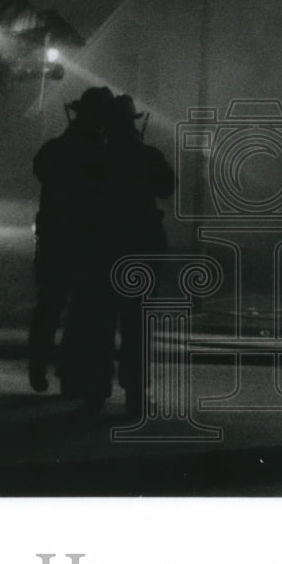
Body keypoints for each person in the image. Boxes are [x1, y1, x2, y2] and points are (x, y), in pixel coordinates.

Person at [28, 86, 116, 408]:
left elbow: (43, 173)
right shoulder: (103, 153)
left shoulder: (54, 149)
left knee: (49, 306)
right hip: (89, 244)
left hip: (55, 241)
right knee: (85, 312)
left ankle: (39, 365)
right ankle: (73, 376)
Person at [103, 94, 175, 418]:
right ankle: (135, 393)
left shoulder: (97, 158)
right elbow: (167, 188)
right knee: (137, 323)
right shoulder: (147, 155)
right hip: (142, 247)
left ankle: (96, 388)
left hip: (103, 245)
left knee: (101, 320)